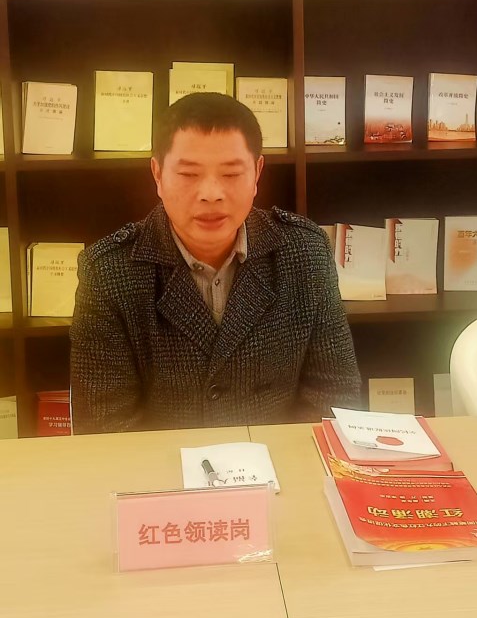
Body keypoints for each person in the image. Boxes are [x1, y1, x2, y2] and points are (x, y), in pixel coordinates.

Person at [70, 92, 361, 433]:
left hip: (279, 463)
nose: (211, 194)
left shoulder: (305, 252)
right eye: (189, 174)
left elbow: (334, 396)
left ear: (257, 173)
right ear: (157, 174)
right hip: (163, 465)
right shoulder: (108, 272)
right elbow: (105, 423)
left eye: (231, 174)